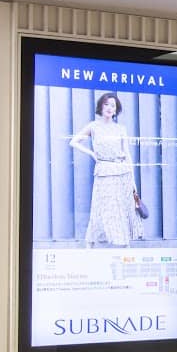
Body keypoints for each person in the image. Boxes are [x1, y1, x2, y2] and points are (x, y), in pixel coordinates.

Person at [69, 92, 143, 248]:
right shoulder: (93, 126)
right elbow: (74, 141)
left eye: (113, 105)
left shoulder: (121, 129)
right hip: (103, 170)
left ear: (116, 110)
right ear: (101, 107)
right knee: (100, 206)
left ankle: (124, 243)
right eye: (107, 104)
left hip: (122, 171)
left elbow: (127, 153)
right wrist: (91, 153)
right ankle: (91, 241)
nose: (110, 108)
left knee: (122, 206)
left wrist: (133, 180)